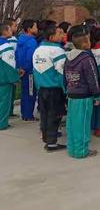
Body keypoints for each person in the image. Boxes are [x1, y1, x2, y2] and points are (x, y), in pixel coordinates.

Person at [64, 25, 100, 158]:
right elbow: (93, 78)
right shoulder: (87, 59)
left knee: (72, 123)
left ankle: (72, 149)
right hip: (84, 96)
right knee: (83, 124)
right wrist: (97, 94)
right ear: (86, 43)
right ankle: (82, 151)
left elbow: (65, 76)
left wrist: (67, 90)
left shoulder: (68, 57)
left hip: (72, 94)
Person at [33, 24, 67, 152]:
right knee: (55, 115)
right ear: (52, 37)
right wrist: (66, 89)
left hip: (42, 88)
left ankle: (46, 138)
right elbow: (62, 73)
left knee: (45, 114)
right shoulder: (57, 51)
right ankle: (52, 143)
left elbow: (35, 71)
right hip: (54, 89)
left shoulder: (38, 49)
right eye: (59, 33)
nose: (62, 35)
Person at [16, 19, 38, 121]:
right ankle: (28, 115)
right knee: (30, 93)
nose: (37, 29)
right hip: (29, 71)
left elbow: (17, 54)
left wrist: (20, 67)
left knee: (24, 92)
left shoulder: (20, 39)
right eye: (35, 27)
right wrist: (26, 68)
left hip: (21, 69)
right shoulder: (32, 41)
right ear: (29, 29)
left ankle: (24, 113)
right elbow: (30, 57)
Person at [0, 23, 19, 130]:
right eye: (9, 29)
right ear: (5, 32)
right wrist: (15, 77)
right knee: (4, 102)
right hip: (3, 79)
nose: (11, 31)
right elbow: (10, 64)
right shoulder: (6, 47)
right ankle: (2, 123)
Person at [5, 18, 18, 118]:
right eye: (14, 26)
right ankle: (9, 112)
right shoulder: (13, 40)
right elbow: (13, 55)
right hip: (10, 68)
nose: (16, 28)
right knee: (10, 93)